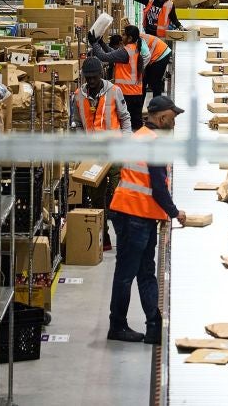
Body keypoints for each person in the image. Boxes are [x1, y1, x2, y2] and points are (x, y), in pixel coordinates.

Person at [107, 95, 188, 344]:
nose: (174, 125)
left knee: (145, 273)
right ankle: (118, 325)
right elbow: (158, 187)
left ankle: (154, 326)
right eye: (172, 119)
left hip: (139, 215)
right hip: (133, 216)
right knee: (127, 274)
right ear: (162, 117)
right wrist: (175, 213)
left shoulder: (141, 135)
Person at [72, 57, 132, 250]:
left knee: (117, 197)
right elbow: (78, 125)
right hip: (93, 157)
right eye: (87, 78)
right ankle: (104, 237)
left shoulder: (114, 91)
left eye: (94, 77)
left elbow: (125, 118)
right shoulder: (78, 96)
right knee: (97, 199)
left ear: (102, 74)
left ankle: (123, 237)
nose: (90, 81)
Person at [88, 26, 145, 130]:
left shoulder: (125, 51)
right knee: (136, 124)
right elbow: (112, 53)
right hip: (137, 93)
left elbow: (104, 57)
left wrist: (94, 43)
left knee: (125, 123)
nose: (121, 37)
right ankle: (139, 143)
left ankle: (126, 143)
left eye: (124, 35)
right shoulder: (134, 48)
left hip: (127, 94)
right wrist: (101, 43)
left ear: (130, 38)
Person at [119, 0, 183, 37]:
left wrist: (180, 26)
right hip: (148, 33)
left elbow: (174, 19)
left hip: (161, 35)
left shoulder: (169, 5)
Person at [139, 31, 172, 97]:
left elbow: (146, 56)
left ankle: (157, 104)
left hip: (161, 54)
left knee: (155, 81)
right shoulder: (135, 37)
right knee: (145, 81)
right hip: (157, 52)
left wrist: (141, 68)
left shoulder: (138, 40)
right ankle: (142, 104)